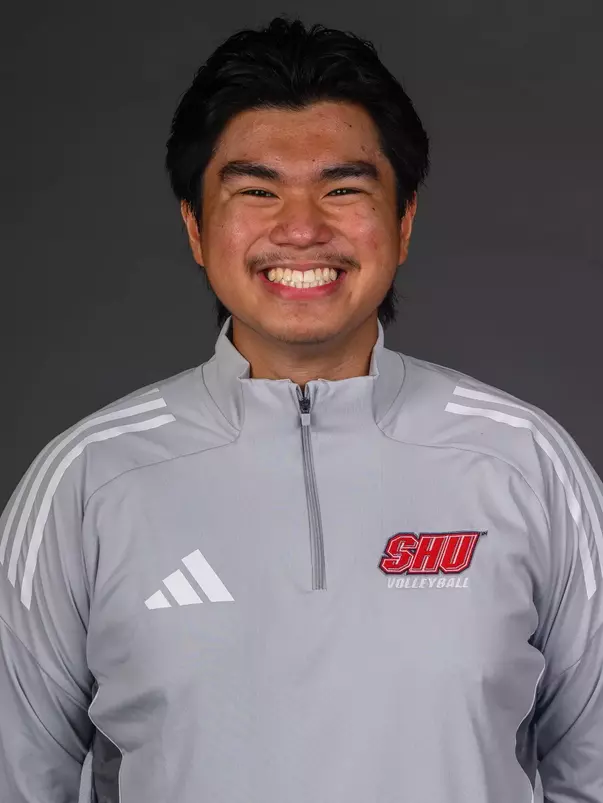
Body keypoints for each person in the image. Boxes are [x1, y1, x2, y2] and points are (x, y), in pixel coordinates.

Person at [0, 16, 601, 803]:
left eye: (344, 188)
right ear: (195, 226)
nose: (301, 229)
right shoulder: (87, 481)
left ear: (403, 221)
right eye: (255, 190)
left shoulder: (526, 463)